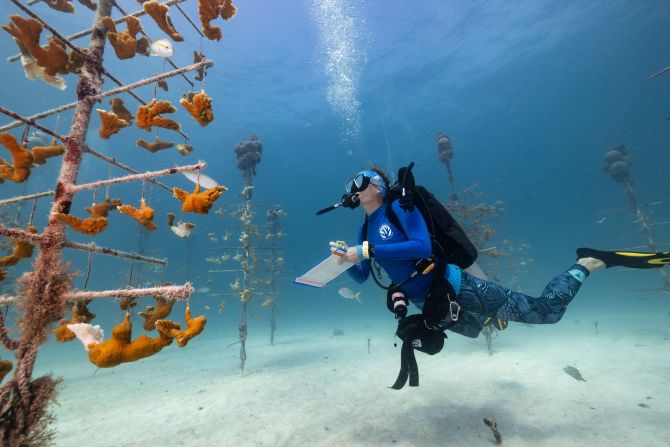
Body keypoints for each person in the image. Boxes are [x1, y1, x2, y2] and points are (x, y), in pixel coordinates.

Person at [331, 167, 668, 387]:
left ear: (376, 186)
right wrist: (346, 259)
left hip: (454, 285)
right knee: (476, 329)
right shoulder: (365, 228)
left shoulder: (400, 209)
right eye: (349, 186)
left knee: (546, 312)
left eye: (358, 182)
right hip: (433, 302)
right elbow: (362, 277)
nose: (352, 189)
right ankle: (495, 314)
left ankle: (588, 261)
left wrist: (368, 251)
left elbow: (420, 245)